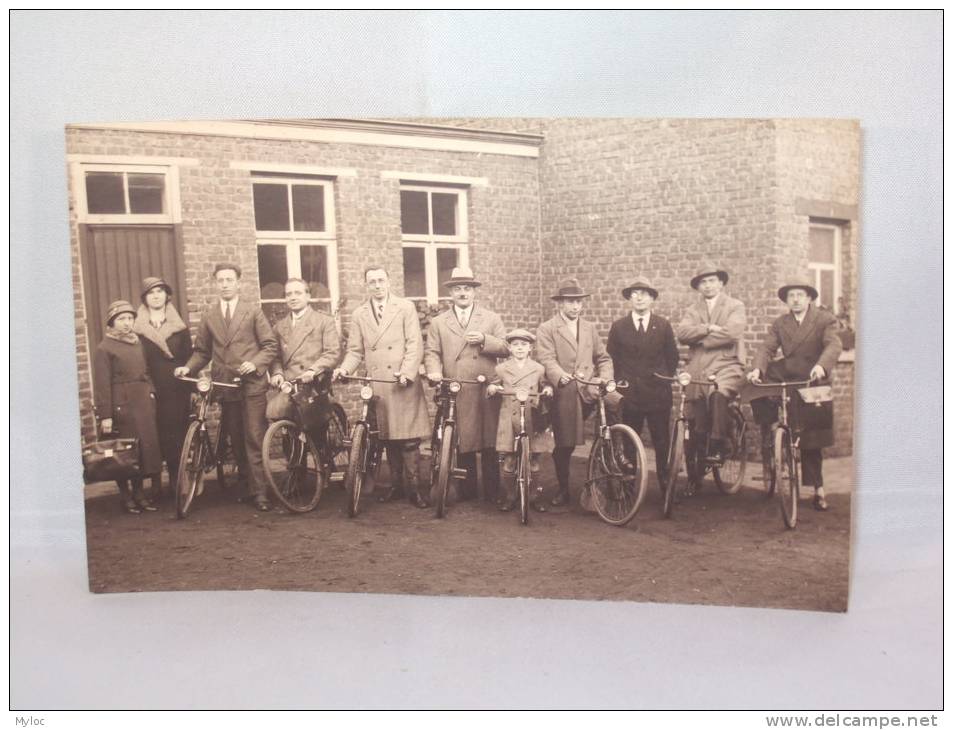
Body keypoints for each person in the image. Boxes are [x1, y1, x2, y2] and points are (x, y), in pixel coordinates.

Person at [174, 263, 278, 512]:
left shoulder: (252, 312)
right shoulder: (210, 316)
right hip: (225, 385)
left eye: (229, 280)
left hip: (251, 385)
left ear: (238, 282)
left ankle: (261, 493)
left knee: (254, 437)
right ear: (215, 283)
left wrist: (254, 364)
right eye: (220, 280)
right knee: (236, 438)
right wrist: (188, 368)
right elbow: (202, 352)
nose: (225, 284)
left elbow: (270, 346)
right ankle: (247, 486)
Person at [333, 266, 431, 508]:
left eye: (380, 280)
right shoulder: (359, 314)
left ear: (389, 282)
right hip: (378, 384)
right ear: (366, 285)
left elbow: (414, 345)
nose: (377, 285)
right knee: (388, 438)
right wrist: (345, 368)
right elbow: (355, 350)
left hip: (401, 381)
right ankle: (396, 486)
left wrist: (407, 373)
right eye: (372, 282)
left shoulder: (405, 307)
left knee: (408, 438)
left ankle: (415, 488)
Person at [747, 282, 842, 511]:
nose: (796, 299)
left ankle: (818, 489)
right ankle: (769, 431)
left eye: (800, 295)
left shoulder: (823, 319)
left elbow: (834, 345)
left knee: (811, 438)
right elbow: (766, 348)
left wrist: (822, 367)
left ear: (809, 298)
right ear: (787, 300)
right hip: (788, 373)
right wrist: (757, 368)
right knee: (754, 385)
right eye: (792, 296)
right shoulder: (781, 323)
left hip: (812, 377)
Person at [423, 267, 508, 503]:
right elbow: (432, 352)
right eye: (458, 289)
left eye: (467, 289)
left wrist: (484, 340)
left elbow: (506, 347)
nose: (463, 293)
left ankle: (492, 490)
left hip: (486, 385)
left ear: (474, 292)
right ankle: (467, 490)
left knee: (489, 440)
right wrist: (434, 371)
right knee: (464, 439)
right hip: (457, 386)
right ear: (450, 293)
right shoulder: (439, 322)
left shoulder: (491, 318)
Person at [536, 278, 616, 508]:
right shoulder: (548, 328)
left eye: (579, 302)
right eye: (570, 302)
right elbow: (546, 358)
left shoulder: (589, 328)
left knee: (616, 400)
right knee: (566, 442)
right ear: (560, 304)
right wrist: (559, 375)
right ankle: (563, 488)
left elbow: (603, 358)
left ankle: (615, 447)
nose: (575, 307)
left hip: (589, 386)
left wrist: (606, 378)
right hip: (566, 387)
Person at [607, 277, 679, 491]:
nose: (639, 297)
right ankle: (629, 486)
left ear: (652, 299)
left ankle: (665, 485)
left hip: (657, 394)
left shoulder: (663, 325)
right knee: (630, 442)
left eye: (645, 293)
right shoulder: (619, 326)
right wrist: (622, 384)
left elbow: (672, 357)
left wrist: (661, 378)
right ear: (629, 298)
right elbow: (612, 359)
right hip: (630, 395)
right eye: (635, 293)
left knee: (661, 441)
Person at [93, 300, 163, 514]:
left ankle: (140, 494)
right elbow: (102, 385)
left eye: (130, 318)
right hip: (122, 406)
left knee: (141, 452)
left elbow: (146, 371)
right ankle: (126, 497)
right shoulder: (104, 348)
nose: (126, 323)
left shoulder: (138, 343)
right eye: (121, 319)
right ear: (112, 323)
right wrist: (106, 415)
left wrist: (150, 390)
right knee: (123, 453)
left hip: (142, 404)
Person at [675, 262, 747, 466]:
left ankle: (718, 444)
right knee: (694, 415)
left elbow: (733, 332)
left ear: (721, 283)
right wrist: (708, 328)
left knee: (718, 394)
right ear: (698, 287)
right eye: (703, 282)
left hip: (727, 364)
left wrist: (701, 340)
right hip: (699, 367)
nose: (708, 285)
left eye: (712, 281)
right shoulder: (693, 309)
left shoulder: (735, 306)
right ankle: (695, 469)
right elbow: (682, 333)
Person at [134, 276, 193, 498]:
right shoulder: (137, 328)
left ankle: (178, 482)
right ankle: (156, 484)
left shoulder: (179, 327)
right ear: (145, 299)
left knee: (176, 435)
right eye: (151, 292)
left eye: (160, 291)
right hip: (150, 388)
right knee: (152, 435)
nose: (156, 296)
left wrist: (192, 388)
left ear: (167, 296)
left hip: (176, 389)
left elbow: (189, 358)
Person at [487, 329, 554, 513]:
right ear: (509, 348)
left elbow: (545, 383)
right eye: (515, 345)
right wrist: (493, 388)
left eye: (523, 345)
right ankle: (510, 496)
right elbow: (494, 383)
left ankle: (533, 496)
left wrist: (548, 389)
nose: (519, 349)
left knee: (533, 458)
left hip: (532, 416)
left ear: (530, 348)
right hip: (510, 415)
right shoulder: (501, 368)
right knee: (509, 459)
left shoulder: (538, 368)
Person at [268, 277, 341, 418]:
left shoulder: (324, 321)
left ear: (308, 296)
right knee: (277, 416)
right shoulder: (279, 326)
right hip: (289, 384)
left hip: (314, 383)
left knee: (314, 429)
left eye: (298, 293)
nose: (293, 298)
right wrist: (277, 373)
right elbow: (275, 357)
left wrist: (313, 370)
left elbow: (332, 353)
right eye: (289, 294)